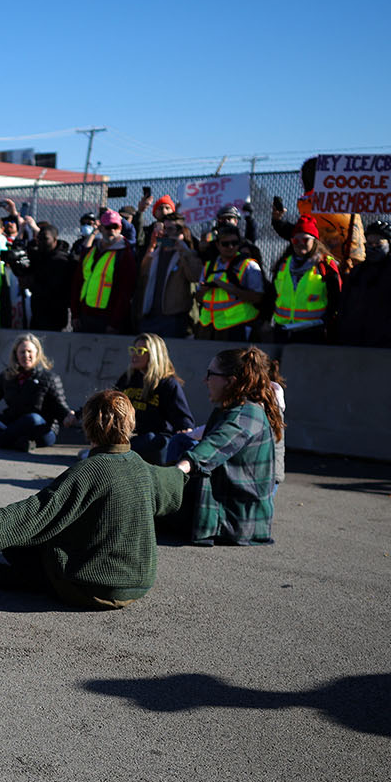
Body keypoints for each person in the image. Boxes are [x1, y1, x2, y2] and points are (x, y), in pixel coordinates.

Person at [0, 390, 186, 609]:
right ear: (131, 424)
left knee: (17, 544)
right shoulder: (143, 467)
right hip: (139, 583)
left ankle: (34, 581)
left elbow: (38, 511)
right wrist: (185, 466)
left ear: (88, 425)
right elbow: (172, 482)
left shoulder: (90, 471)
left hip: (93, 587)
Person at [174, 347, 281, 546]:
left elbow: (208, 451)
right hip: (225, 510)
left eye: (210, 374)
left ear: (230, 381)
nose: (205, 381)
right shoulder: (233, 409)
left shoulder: (245, 415)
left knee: (140, 512)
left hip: (235, 522)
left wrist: (172, 476)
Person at [272, 157, 364, 273]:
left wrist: (278, 222)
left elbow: (303, 235)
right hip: (356, 267)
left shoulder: (314, 203)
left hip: (335, 271)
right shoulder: (344, 200)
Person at [113, 335, 194, 463]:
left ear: (154, 355)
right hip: (131, 437)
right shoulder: (128, 378)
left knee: (150, 440)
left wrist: (185, 429)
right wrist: (77, 414)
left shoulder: (167, 383)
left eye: (140, 351)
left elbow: (184, 419)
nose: (134, 354)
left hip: (155, 442)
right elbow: (109, 401)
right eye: (133, 349)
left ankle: (112, 455)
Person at [268, 215, 341, 344]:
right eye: (296, 240)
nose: (300, 243)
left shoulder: (325, 265)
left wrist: (327, 322)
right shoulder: (284, 264)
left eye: (305, 239)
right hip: (283, 330)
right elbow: (273, 294)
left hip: (312, 332)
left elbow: (336, 299)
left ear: (315, 241)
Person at [133, 213, 203, 338]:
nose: (165, 233)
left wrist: (183, 249)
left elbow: (195, 276)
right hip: (150, 317)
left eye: (170, 229)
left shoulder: (186, 255)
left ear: (181, 232)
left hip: (173, 319)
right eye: (164, 228)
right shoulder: (156, 253)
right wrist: (151, 246)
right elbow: (143, 274)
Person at [193, 227, 266, 342]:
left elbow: (258, 298)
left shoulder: (249, 266)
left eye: (234, 243)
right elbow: (199, 298)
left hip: (236, 327)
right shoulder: (208, 266)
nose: (230, 247)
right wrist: (203, 290)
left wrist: (226, 287)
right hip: (209, 327)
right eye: (225, 244)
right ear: (217, 245)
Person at [71, 209, 136, 334]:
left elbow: (125, 292)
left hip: (107, 320)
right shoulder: (92, 251)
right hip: (85, 315)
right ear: (101, 228)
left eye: (115, 226)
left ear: (120, 228)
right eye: (108, 227)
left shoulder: (125, 254)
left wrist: (114, 323)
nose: (111, 230)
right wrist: (75, 314)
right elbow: (78, 282)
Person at [7, 221, 72, 332]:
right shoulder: (37, 255)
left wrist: (32, 283)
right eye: (39, 239)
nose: (41, 242)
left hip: (56, 314)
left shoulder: (62, 260)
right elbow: (22, 269)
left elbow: (56, 288)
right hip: (37, 310)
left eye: (45, 239)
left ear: (55, 240)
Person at [338, 220, 391, 347]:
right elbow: (345, 303)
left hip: (384, 343)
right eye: (369, 243)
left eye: (378, 244)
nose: (372, 247)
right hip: (356, 339)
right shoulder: (358, 271)